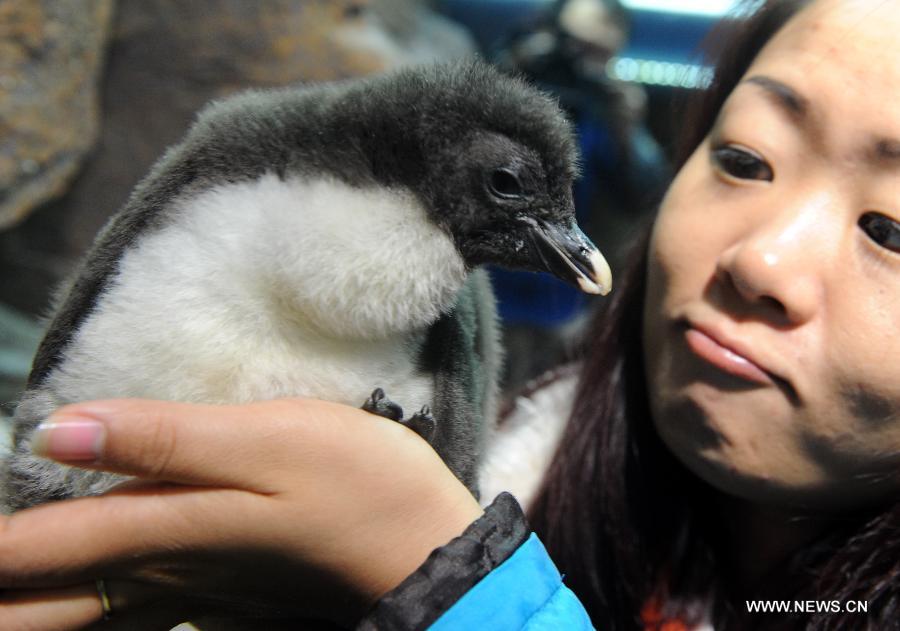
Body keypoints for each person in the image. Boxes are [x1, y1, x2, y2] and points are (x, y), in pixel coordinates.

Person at [1, 0, 899, 628]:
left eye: (891, 228)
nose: (761, 260)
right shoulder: (541, 455)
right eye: (744, 158)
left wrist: (444, 582)